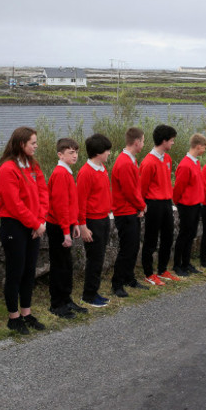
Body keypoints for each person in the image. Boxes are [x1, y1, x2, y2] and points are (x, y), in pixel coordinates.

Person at [0, 127, 49, 335]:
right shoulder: (7, 169)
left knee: (29, 271)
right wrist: (35, 223)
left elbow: (44, 192)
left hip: (34, 225)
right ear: (21, 144)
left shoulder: (33, 165)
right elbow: (14, 204)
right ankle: (13, 317)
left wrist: (40, 220)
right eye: (32, 143)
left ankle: (26, 312)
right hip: (15, 226)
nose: (36, 146)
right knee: (15, 272)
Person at [46, 138, 86, 318]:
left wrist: (75, 223)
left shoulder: (67, 172)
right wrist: (65, 231)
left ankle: (66, 299)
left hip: (66, 224)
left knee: (67, 265)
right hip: (57, 226)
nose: (75, 155)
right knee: (59, 265)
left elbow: (72, 203)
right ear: (60, 154)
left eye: (76, 152)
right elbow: (60, 205)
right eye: (71, 152)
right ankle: (57, 304)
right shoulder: (60, 173)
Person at [110, 128, 148, 298]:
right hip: (124, 212)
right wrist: (142, 205)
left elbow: (135, 187)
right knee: (126, 249)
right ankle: (117, 284)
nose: (144, 144)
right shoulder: (125, 162)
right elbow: (129, 190)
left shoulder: (131, 160)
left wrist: (138, 207)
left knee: (133, 247)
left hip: (131, 210)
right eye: (143, 141)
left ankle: (129, 278)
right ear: (136, 142)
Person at [77, 133, 113, 307]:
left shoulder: (102, 169)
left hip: (104, 218)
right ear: (98, 152)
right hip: (93, 221)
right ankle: (89, 295)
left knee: (99, 257)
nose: (109, 154)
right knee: (95, 259)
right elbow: (81, 201)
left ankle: (94, 291)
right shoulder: (85, 172)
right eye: (107, 151)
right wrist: (83, 226)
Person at [140, 124, 178, 285]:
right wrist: (142, 206)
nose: (173, 143)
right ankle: (149, 273)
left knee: (168, 237)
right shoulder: (148, 162)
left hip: (166, 203)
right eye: (172, 140)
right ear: (164, 141)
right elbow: (142, 187)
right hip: (153, 204)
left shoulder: (168, 158)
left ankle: (162, 270)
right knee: (151, 239)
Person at [172, 133, 206, 275]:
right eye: (204, 148)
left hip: (195, 204)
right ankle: (177, 265)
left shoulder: (195, 162)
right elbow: (179, 188)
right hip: (186, 205)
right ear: (198, 146)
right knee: (184, 234)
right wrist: (180, 203)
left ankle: (186, 263)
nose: (204, 150)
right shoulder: (185, 165)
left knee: (191, 234)